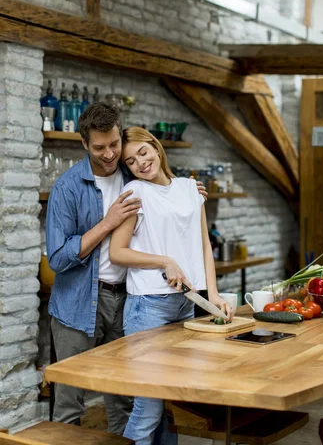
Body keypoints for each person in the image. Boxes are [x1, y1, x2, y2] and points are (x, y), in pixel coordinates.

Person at [46, 102, 207, 433]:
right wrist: (107, 224)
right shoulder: (68, 187)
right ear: (84, 144)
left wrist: (189, 194)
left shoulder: (133, 173)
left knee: (124, 398)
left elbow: (164, 189)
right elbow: (59, 258)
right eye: (99, 147)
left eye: (114, 145)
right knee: (69, 401)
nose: (109, 154)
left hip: (129, 301)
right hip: (78, 303)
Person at [109, 127, 231, 445]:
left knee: (170, 405)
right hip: (147, 307)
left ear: (156, 147)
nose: (140, 163)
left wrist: (213, 294)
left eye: (143, 152)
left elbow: (204, 245)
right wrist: (164, 261)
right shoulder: (135, 193)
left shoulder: (191, 188)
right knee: (148, 408)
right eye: (131, 161)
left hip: (185, 303)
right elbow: (117, 252)